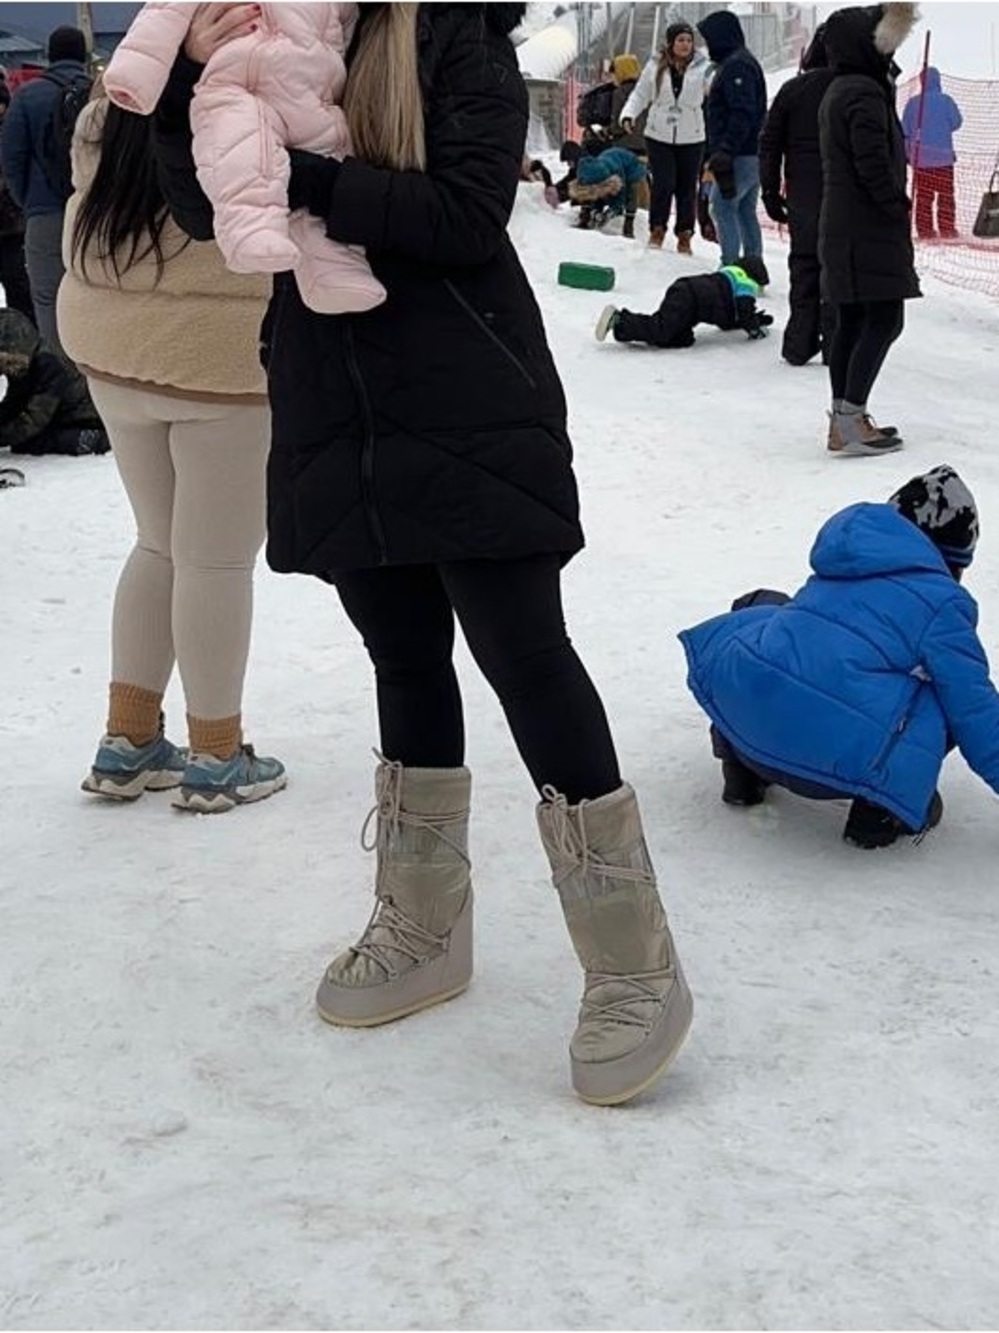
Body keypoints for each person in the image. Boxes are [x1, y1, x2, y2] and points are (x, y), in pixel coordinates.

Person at [152, 1, 693, 1107]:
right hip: (334, 398)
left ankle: (634, 960)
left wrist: (295, 173)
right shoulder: (262, 30)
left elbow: (461, 212)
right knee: (400, 657)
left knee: (523, 656)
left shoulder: (452, 35)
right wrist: (179, 88)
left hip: (465, 391)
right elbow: (191, 205)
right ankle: (424, 920)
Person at [59, 92, 286, 813]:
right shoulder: (250, 102)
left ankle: (127, 740)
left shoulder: (110, 105)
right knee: (215, 559)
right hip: (221, 358)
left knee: (157, 545)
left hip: (114, 347)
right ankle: (216, 754)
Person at [679, 465, 999, 850]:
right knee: (944, 693)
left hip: (749, 736)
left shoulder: (844, 554)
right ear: (955, 560)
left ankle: (739, 765)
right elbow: (977, 713)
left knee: (766, 612)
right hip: (830, 776)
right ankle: (879, 809)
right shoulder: (942, 604)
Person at [103, 2, 384, 315]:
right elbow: (164, 13)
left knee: (325, 164)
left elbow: (343, 26)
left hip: (311, 96)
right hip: (238, 88)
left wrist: (332, 69)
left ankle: (334, 272)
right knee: (246, 154)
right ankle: (251, 229)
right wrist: (139, 74)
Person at [819, 3, 918, 457]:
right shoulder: (862, 93)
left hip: (845, 223)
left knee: (854, 318)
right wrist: (895, 204)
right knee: (884, 318)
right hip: (866, 225)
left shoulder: (845, 87)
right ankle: (851, 416)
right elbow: (872, 163)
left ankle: (844, 417)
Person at [0, 26, 91, 359]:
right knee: (95, 287)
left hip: (45, 210)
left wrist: (30, 204)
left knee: (48, 294)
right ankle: (95, 362)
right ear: (82, 55)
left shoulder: (27, 96)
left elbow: (12, 159)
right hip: (92, 211)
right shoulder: (96, 93)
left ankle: (61, 366)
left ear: (50, 55)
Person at [759, 24, 837, 366]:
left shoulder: (792, 90)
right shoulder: (853, 89)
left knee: (804, 266)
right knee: (836, 269)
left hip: (802, 194)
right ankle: (836, 343)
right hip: (843, 195)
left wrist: (770, 191)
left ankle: (799, 341)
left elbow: (770, 145)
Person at [620, 21, 710, 252]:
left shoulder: (703, 68)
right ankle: (657, 229)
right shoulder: (654, 66)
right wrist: (629, 114)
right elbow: (640, 94)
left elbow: (714, 92)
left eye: (689, 40)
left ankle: (685, 234)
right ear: (671, 43)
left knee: (687, 187)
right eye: (680, 40)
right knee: (663, 184)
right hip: (658, 134)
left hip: (692, 136)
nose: (685, 45)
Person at [696, 10, 767, 269]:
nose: (707, 45)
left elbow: (741, 111)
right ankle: (753, 265)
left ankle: (731, 269)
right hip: (751, 153)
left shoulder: (737, 66)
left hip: (738, 154)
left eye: (709, 39)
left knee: (723, 207)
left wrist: (725, 150)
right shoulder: (741, 62)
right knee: (745, 210)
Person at [0, 306, 108, 456]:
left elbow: (36, 418)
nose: (7, 370)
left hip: (84, 417)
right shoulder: (26, 362)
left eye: (8, 362)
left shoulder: (49, 365)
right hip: (58, 411)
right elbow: (16, 400)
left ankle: (94, 440)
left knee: (31, 442)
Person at [593, 263, 773, 346]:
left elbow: (727, 316)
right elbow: (742, 310)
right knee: (662, 330)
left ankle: (624, 328)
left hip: (687, 292)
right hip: (689, 298)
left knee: (682, 338)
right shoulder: (746, 284)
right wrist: (754, 328)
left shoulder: (729, 274)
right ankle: (619, 319)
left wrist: (750, 319)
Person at [901, 66, 963, 240]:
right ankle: (947, 228)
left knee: (924, 197)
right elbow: (957, 122)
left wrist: (907, 153)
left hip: (921, 160)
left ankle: (925, 230)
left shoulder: (913, 104)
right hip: (944, 158)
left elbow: (905, 130)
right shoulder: (946, 101)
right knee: (946, 196)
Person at [0, 78, 36, 324]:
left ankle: (25, 341)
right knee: (18, 285)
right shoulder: (13, 126)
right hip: (13, 219)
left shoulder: (10, 129)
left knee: (18, 286)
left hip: (11, 223)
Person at [569, 144, 647, 237]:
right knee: (596, 194)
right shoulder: (589, 172)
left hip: (631, 167)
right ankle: (587, 218)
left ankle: (628, 225)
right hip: (610, 161)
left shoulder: (615, 173)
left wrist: (610, 212)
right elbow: (593, 195)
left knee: (631, 192)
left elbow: (620, 197)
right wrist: (595, 210)